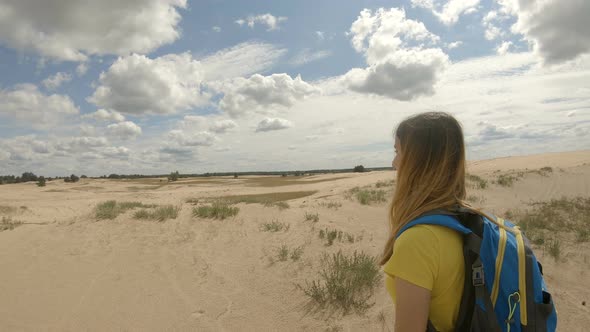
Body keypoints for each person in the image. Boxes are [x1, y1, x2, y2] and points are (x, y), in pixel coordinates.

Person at [382, 112, 469, 332]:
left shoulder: (419, 241)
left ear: (417, 161)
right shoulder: (469, 220)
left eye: (397, 151)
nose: (394, 163)